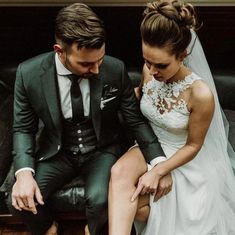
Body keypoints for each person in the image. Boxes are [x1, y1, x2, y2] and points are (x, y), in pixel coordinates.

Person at [8, 3, 172, 235]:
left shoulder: (114, 69)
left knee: (99, 199)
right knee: (20, 201)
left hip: (101, 150)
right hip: (58, 151)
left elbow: (135, 120)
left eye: (100, 60)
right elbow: (23, 127)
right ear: (59, 51)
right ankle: (50, 229)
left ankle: (92, 230)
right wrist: (24, 173)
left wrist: (159, 165)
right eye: (85, 63)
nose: (96, 70)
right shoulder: (29, 73)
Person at [108, 0, 235, 234]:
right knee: (119, 173)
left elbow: (194, 145)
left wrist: (159, 170)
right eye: (147, 61)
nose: (152, 71)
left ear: (182, 55)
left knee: (134, 207)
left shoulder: (200, 94)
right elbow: (141, 107)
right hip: (150, 145)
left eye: (161, 65)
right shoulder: (150, 72)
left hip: (183, 157)